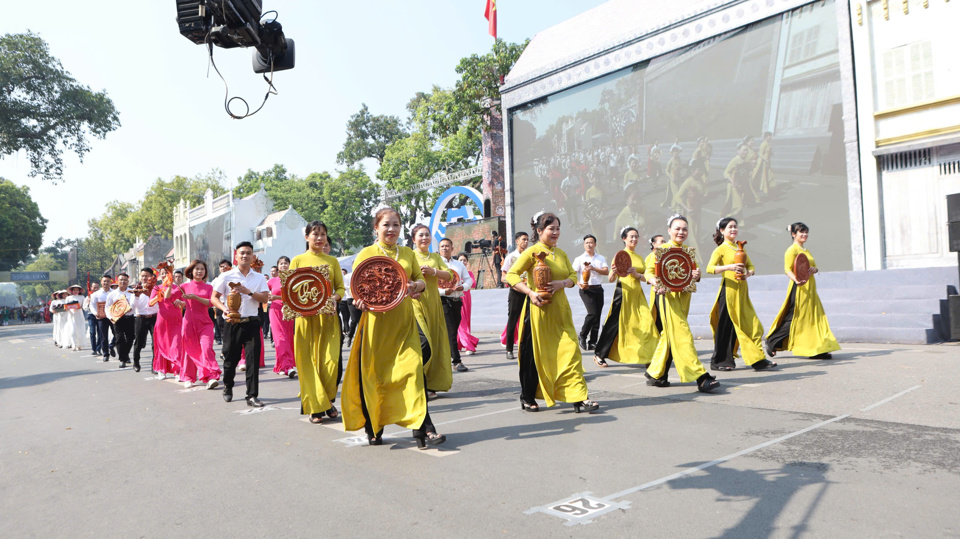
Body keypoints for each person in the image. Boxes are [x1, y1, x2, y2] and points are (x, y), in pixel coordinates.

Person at [343, 208, 446, 448]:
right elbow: (356, 288)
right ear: (376, 228)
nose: (391, 230)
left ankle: (422, 429)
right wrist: (358, 300)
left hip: (404, 324)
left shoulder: (408, 253)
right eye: (386, 225)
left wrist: (415, 285)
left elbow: (421, 281)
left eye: (396, 225)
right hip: (376, 327)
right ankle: (374, 427)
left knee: (413, 372)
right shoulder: (366, 254)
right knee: (376, 378)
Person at [504, 212, 600, 413]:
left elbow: (573, 276)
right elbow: (511, 275)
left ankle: (579, 397)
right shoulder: (532, 252)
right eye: (551, 228)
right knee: (533, 356)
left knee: (571, 352)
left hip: (561, 312)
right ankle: (527, 396)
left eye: (558, 228)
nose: (555, 232)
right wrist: (529, 292)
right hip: (538, 311)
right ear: (539, 231)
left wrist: (562, 283)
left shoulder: (562, 254)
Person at [644, 215, 719, 393]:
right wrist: (656, 283)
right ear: (669, 230)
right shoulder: (662, 249)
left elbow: (694, 274)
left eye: (684, 229)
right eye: (677, 228)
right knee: (683, 334)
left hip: (684, 298)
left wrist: (697, 275)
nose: (681, 232)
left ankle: (656, 374)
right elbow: (648, 273)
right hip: (668, 299)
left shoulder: (688, 251)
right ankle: (701, 377)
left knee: (671, 336)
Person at [289, 222, 346, 423]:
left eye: (323, 234)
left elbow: (340, 288)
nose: (319, 238)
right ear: (307, 237)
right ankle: (315, 407)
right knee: (308, 363)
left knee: (330, 363)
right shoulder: (297, 260)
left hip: (328, 319)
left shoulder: (332, 261)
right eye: (315, 234)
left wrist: (334, 299)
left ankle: (328, 400)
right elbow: (289, 290)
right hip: (305, 320)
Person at [706, 217, 775, 371]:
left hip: (742, 293)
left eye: (735, 227)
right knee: (725, 328)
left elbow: (751, 266)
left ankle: (757, 359)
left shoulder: (740, 249)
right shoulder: (720, 249)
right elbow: (709, 268)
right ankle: (720, 362)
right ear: (722, 231)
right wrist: (729, 267)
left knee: (753, 325)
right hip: (728, 292)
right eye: (730, 227)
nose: (733, 229)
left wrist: (748, 274)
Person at [765, 222, 840, 359]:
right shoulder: (792, 250)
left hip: (810, 288)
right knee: (795, 318)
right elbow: (787, 269)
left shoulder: (806, 250)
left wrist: (815, 269)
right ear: (794, 234)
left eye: (806, 232)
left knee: (815, 318)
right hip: (799, 288)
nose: (805, 235)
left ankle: (818, 349)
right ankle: (772, 341)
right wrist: (796, 280)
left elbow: (814, 265)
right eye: (801, 232)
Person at [211, 241, 270, 407]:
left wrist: (249, 292)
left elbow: (265, 298)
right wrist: (224, 309)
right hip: (233, 322)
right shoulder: (226, 276)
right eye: (242, 253)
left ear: (253, 256)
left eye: (248, 253)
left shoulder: (258, 277)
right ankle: (228, 386)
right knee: (231, 358)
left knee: (252, 360)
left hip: (251, 322)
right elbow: (214, 297)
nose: (245, 256)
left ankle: (252, 395)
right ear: (236, 256)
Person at [593, 227, 659, 367]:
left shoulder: (640, 258)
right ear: (624, 239)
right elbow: (611, 279)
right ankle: (599, 354)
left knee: (647, 323)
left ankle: (649, 356)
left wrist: (637, 275)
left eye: (636, 236)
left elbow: (645, 277)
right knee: (614, 324)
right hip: (623, 292)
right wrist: (614, 272)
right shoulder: (620, 255)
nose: (634, 239)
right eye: (631, 237)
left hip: (637, 295)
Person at [410, 224, 455, 398]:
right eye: (420, 235)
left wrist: (433, 271)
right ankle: (416, 380)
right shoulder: (410, 255)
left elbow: (449, 276)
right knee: (424, 342)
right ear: (414, 239)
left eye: (427, 235)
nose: (424, 238)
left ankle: (430, 383)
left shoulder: (435, 257)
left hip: (434, 302)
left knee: (435, 342)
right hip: (415, 302)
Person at [179, 260, 222, 389]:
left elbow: (211, 302)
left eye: (202, 269)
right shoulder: (184, 286)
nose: (199, 271)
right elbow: (183, 303)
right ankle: (188, 377)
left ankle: (211, 376)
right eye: (196, 269)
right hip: (188, 323)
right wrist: (180, 303)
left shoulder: (209, 287)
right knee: (189, 350)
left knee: (206, 348)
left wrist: (195, 297)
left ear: (205, 272)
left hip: (205, 323)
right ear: (191, 271)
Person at [438, 237, 473, 373]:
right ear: (439, 249)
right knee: (451, 330)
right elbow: (431, 284)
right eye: (442, 246)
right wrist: (442, 291)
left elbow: (469, 279)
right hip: (443, 301)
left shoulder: (459, 265)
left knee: (453, 329)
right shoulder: (436, 265)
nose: (445, 248)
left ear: (452, 248)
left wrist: (463, 287)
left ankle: (444, 357)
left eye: (447, 246)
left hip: (457, 301)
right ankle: (457, 361)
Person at [570, 234, 609, 351]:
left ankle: (593, 341)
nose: (589, 245)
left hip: (598, 288)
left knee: (597, 315)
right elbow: (572, 273)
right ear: (584, 245)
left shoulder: (600, 258)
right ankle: (582, 335)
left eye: (591, 242)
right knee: (592, 313)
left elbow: (606, 272)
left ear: (595, 244)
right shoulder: (579, 259)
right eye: (587, 243)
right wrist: (579, 283)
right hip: (586, 289)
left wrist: (594, 268)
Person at [150, 266, 183, 380]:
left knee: (177, 345)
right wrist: (159, 296)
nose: (165, 275)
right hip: (162, 320)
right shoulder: (157, 288)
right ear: (160, 276)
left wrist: (181, 302)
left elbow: (186, 302)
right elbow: (150, 303)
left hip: (177, 320)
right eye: (163, 273)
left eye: (167, 273)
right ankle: (161, 369)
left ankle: (178, 371)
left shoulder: (178, 287)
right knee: (162, 345)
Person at [266, 256, 296, 378]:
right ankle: (288, 366)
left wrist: (277, 297)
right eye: (281, 263)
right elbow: (263, 293)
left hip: (289, 311)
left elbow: (294, 296)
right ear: (277, 267)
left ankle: (281, 365)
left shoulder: (294, 279)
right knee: (280, 338)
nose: (283, 265)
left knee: (288, 338)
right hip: (275, 311)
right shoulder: (272, 281)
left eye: (286, 263)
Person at [501, 231, 529, 359]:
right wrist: (513, 284)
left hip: (529, 292)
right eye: (523, 239)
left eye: (527, 240)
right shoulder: (511, 257)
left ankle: (527, 348)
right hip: (516, 292)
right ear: (517, 241)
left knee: (528, 320)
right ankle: (509, 349)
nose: (526, 242)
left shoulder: (530, 256)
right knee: (513, 319)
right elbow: (503, 277)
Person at [105, 273, 137, 369]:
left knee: (130, 338)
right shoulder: (112, 294)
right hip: (117, 319)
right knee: (119, 339)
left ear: (128, 281)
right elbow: (107, 307)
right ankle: (122, 359)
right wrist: (110, 317)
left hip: (130, 318)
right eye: (121, 280)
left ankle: (125, 354)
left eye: (125, 280)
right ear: (117, 281)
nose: (123, 282)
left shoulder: (133, 292)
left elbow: (136, 304)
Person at [130, 269, 158, 373]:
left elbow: (158, 303)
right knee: (139, 342)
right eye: (142, 276)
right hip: (140, 318)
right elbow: (133, 306)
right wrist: (137, 296)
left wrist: (149, 294)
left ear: (152, 277)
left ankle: (154, 365)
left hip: (154, 317)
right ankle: (136, 362)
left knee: (155, 343)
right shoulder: (137, 288)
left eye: (147, 276)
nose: (144, 278)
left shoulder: (156, 288)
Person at [456, 252, 480, 355]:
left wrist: (464, 282)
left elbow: (473, 284)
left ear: (467, 262)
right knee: (460, 323)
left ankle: (460, 343)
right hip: (457, 298)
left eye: (464, 260)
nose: (462, 262)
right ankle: (468, 344)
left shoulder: (469, 273)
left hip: (467, 299)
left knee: (466, 322)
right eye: (460, 260)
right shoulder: (454, 273)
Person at [644, 235, 666, 333]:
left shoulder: (667, 254)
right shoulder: (651, 256)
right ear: (654, 244)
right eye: (661, 241)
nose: (664, 243)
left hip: (668, 289)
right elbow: (648, 273)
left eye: (664, 241)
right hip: (657, 289)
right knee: (659, 315)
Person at [90, 275, 113, 361]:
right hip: (102, 317)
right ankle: (105, 354)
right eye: (104, 281)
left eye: (108, 281)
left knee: (117, 334)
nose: (106, 283)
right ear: (101, 282)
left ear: (111, 282)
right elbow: (92, 305)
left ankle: (112, 345)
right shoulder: (96, 294)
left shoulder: (114, 292)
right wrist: (95, 313)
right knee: (103, 336)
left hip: (113, 316)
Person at [211, 259, 232, 345]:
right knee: (222, 327)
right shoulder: (216, 280)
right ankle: (225, 347)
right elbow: (211, 294)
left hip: (232, 306)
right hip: (221, 306)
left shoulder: (233, 278)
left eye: (225, 266)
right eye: (221, 267)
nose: (223, 268)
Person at [63, 285, 86, 352]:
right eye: (74, 290)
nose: (75, 291)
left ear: (79, 291)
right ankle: (74, 344)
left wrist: (79, 307)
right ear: (71, 291)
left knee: (79, 330)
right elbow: (66, 306)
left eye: (77, 290)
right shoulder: (68, 298)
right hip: (71, 315)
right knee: (72, 331)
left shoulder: (82, 297)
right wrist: (67, 308)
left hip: (79, 315)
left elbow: (83, 306)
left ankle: (79, 344)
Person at [83, 283, 101, 356]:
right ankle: (94, 349)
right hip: (91, 315)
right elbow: (84, 308)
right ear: (91, 288)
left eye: (97, 287)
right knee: (92, 332)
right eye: (94, 287)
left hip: (100, 315)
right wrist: (89, 303)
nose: (96, 289)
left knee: (100, 333)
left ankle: (99, 348)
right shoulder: (88, 297)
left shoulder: (100, 296)